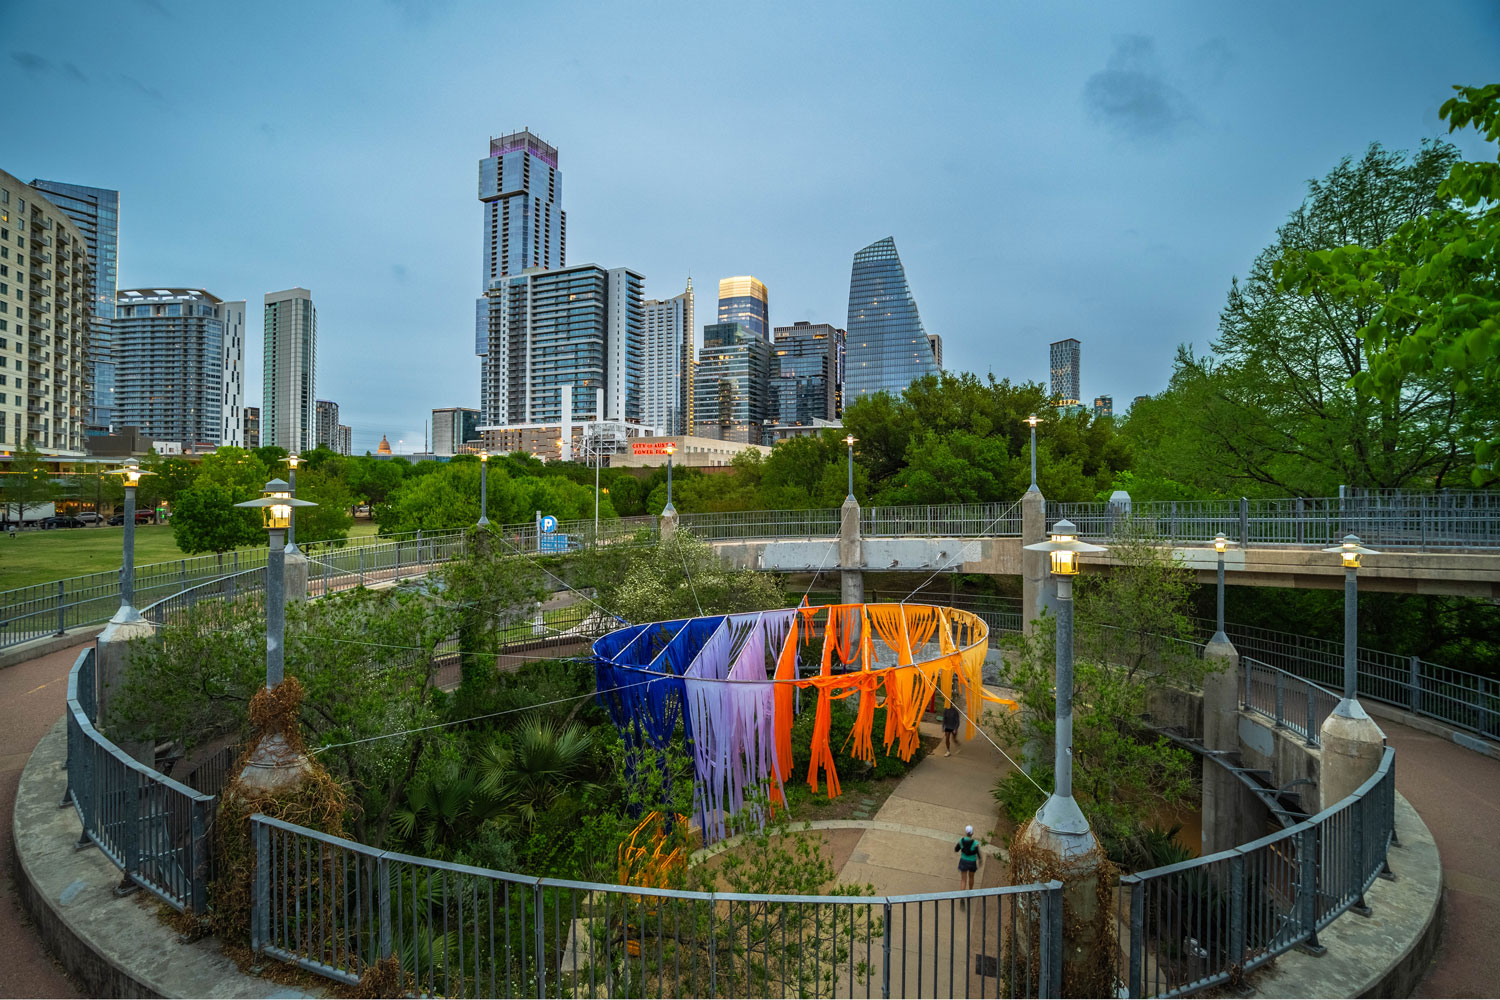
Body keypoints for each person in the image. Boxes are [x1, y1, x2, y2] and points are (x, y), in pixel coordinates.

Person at [955, 824, 981, 898]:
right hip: (972, 862)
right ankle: (970, 893)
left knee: (963, 879)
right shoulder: (975, 843)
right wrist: (980, 860)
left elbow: (956, 849)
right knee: (971, 877)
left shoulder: (961, 841)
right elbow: (978, 853)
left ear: (966, 832)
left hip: (963, 861)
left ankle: (962, 897)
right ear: (972, 833)